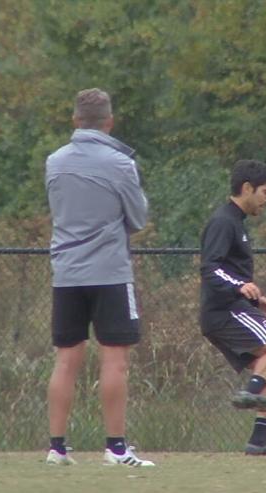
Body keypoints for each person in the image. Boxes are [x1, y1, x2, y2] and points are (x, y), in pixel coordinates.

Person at [43, 88, 154, 467]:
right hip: (109, 272)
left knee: (65, 361)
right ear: (109, 122)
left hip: (66, 273)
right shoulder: (120, 163)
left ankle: (56, 448)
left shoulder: (54, 162)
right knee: (115, 360)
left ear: (75, 121)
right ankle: (116, 448)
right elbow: (138, 219)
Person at [199, 159, 266, 456]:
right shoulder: (223, 221)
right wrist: (238, 288)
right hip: (224, 311)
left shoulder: (236, 223)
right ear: (246, 188)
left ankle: (258, 442)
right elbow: (210, 268)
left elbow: (230, 270)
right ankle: (249, 393)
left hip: (236, 306)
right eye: (265, 192)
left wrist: (254, 297)